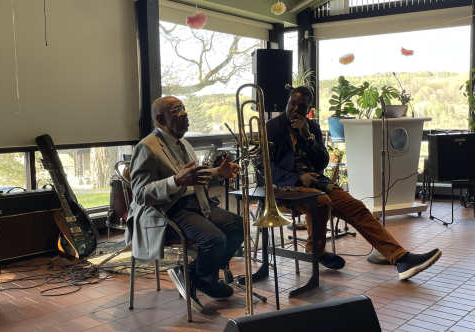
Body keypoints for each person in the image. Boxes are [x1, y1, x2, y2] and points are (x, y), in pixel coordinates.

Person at [265, 86, 441, 280]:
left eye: (302, 106)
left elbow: (323, 162)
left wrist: (308, 137)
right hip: (287, 187)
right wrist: (298, 178)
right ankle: (316, 251)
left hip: (317, 183)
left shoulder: (312, 127)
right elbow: (265, 167)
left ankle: (401, 259)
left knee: (357, 207)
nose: (295, 109)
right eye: (293, 103)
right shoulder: (272, 127)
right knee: (321, 202)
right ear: (288, 102)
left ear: (309, 109)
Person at [125, 96, 243, 312]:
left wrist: (220, 173)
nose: (185, 113)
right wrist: (175, 181)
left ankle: (193, 275)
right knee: (215, 239)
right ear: (161, 119)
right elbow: (141, 195)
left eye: (184, 108)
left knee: (238, 226)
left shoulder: (184, 143)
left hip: (198, 204)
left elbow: (194, 177)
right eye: (177, 110)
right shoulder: (147, 147)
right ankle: (203, 279)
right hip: (168, 210)